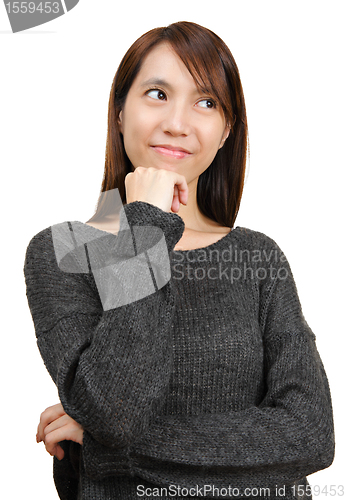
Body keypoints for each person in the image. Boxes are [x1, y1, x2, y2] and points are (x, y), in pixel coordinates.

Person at [24, 21, 335, 500]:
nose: (178, 122)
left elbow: (310, 436)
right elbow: (116, 410)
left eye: (206, 103)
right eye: (156, 93)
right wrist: (145, 225)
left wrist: (108, 449)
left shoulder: (256, 257)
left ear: (226, 130)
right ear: (120, 111)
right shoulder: (64, 250)